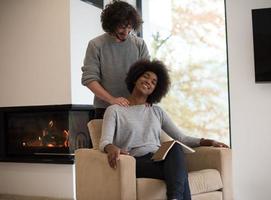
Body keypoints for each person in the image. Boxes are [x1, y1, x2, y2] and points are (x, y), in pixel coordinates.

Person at [100, 59, 229, 200]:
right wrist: (111, 147)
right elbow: (105, 141)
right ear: (135, 78)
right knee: (180, 173)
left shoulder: (157, 112)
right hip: (134, 161)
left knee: (175, 148)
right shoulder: (115, 110)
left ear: (156, 89)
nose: (149, 82)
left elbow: (181, 138)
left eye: (154, 82)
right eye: (146, 76)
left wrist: (209, 141)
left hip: (157, 160)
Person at [81, 0, 150, 118]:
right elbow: (89, 79)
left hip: (136, 108)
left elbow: (148, 75)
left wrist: (148, 98)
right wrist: (112, 99)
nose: (126, 32)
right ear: (111, 24)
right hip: (105, 109)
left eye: (129, 27)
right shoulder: (96, 45)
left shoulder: (139, 44)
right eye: (122, 27)